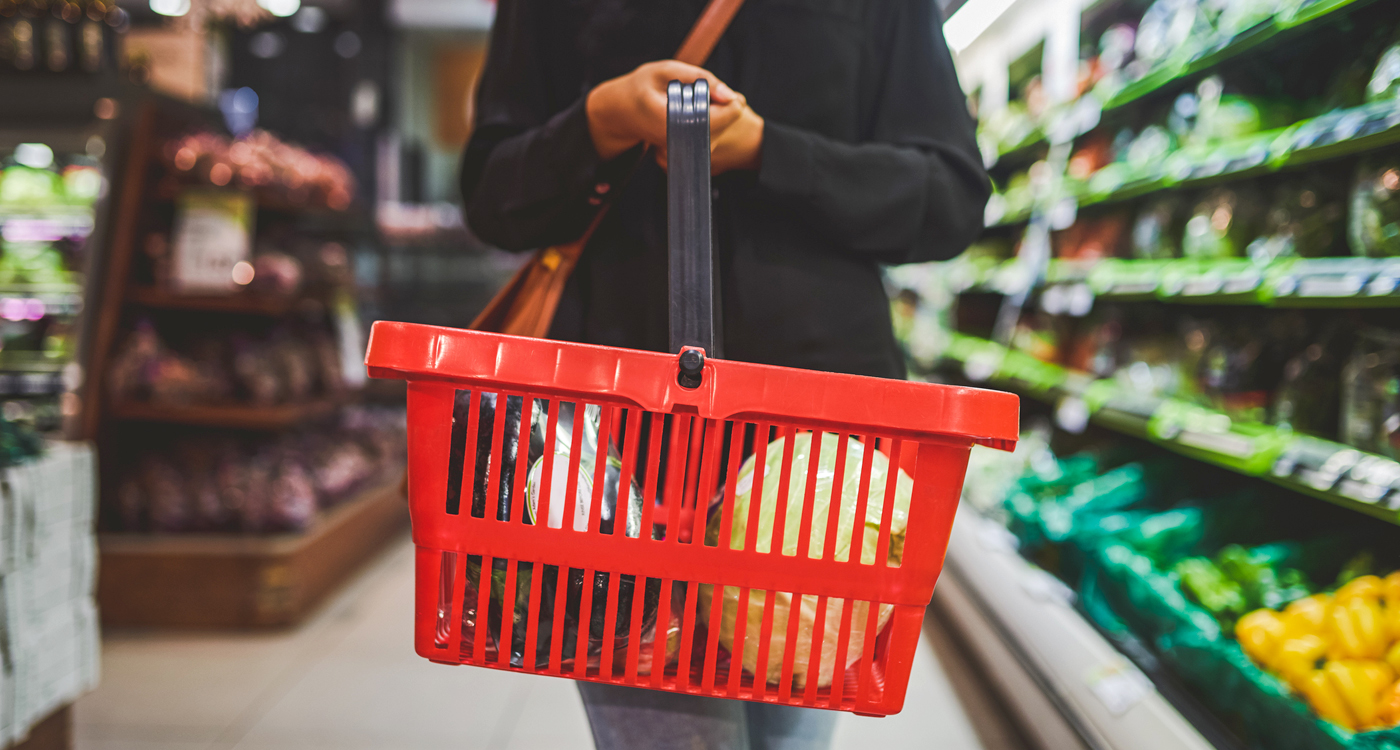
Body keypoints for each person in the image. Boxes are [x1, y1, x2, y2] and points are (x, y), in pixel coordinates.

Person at [460, 1, 988, 747]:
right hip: (618, 462)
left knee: (791, 732)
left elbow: (952, 198)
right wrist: (601, 120)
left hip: (823, 476)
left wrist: (773, 151)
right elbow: (490, 193)